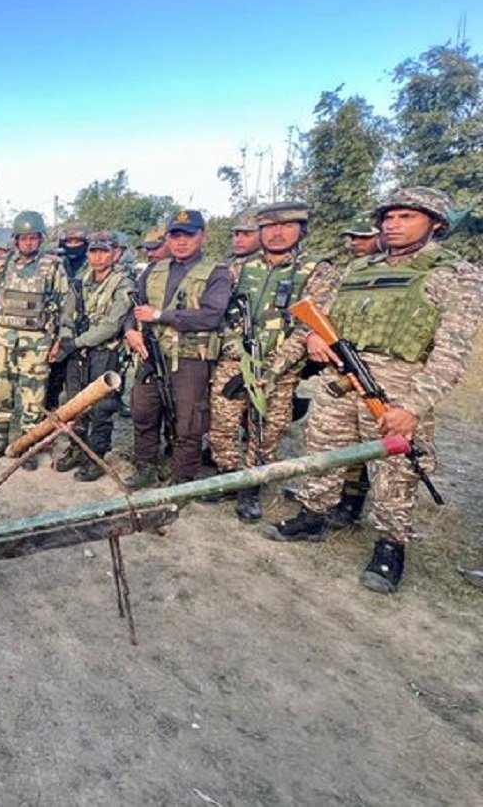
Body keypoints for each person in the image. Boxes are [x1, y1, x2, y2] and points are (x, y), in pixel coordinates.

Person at [265, 187, 483, 593]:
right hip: (341, 379)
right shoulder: (358, 269)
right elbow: (319, 315)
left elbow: (452, 351)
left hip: (398, 387)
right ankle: (313, 515)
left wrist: (414, 407)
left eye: (406, 217)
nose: (393, 224)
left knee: (395, 470)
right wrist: (315, 337)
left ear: (436, 223)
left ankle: (390, 544)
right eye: (388, 217)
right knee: (323, 448)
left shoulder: (454, 274)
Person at [207, 202, 337, 520]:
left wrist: (274, 367)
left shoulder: (317, 271)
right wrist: (236, 348)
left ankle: (252, 488)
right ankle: (228, 477)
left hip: (282, 369)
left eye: (287, 226)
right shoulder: (239, 267)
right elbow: (220, 312)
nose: (277, 233)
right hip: (235, 361)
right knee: (222, 424)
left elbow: (311, 325)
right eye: (269, 227)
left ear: (301, 231)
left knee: (266, 430)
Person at [126, 209, 232, 487]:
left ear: (203, 237)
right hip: (151, 355)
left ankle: (183, 478)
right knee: (144, 413)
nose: (181, 242)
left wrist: (161, 315)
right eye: (175, 236)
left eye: (188, 235)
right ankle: (145, 467)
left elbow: (212, 316)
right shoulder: (153, 270)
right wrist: (130, 331)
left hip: (190, 359)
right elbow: (134, 305)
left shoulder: (217, 273)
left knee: (188, 422)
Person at [0, 210, 72, 470]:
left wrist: (60, 339)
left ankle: (27, 445)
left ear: (40, 239)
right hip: (5, 338)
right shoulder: (1, 265)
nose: (29, 243)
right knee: (1, 389)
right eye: (24, 238)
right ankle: (0, 439)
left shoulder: (52, 266)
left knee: (34, 394)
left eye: (34, 238)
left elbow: (66, 305)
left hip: (37, 340)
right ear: (16, 239)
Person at [52, 231, 134, 480]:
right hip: (77, 353)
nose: (98, 257)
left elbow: (111, 325)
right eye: (94, 252)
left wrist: (75, 343)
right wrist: (66, 338)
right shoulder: (80, 281)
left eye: (104, 251)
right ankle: (77, 448)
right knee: (75, 404)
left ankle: (96, 456)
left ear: (115, 253)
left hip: (103, 353)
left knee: (101, 408)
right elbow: (67, 315)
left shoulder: (123, 284)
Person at [47, 220, 89, 410]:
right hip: (55, 328)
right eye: (69, 242)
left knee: (79, 382)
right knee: (52, 378)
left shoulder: (92, 265)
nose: (73, 246)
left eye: (77, 242)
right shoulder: (55, 264)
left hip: (81, 331)